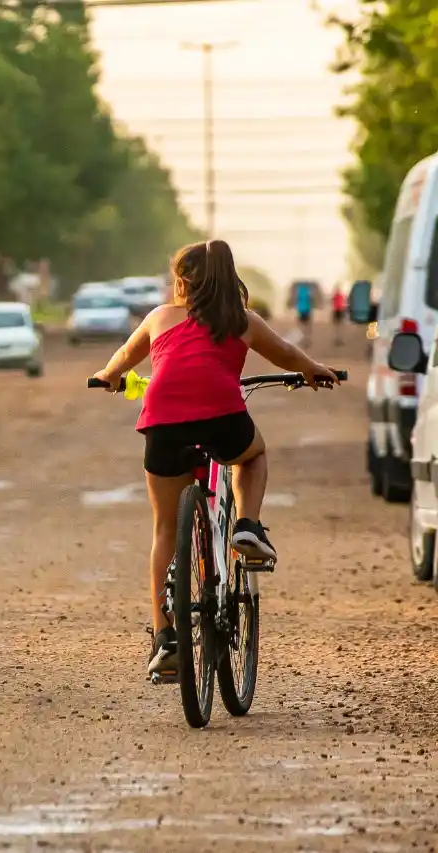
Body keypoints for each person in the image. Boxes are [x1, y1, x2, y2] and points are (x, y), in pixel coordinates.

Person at [91, 239, 339, 676]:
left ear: (183, 284)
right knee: (252, 453)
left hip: (163, 421)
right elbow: (285, 353)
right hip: (222, 416)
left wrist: (108, 376)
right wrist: (313, 370)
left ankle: (165, 637)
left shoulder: (159, 318)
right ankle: (247, 525)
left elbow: (123, 358)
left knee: (166, 527)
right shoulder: (240, 320)